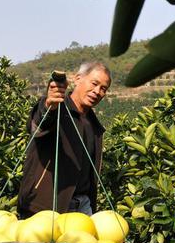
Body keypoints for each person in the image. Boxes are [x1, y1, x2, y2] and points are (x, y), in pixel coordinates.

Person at [18, 61, 112, 217]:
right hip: (43, 206)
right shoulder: (57, 108)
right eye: (94, 83)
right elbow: (37, 125)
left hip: (83, 205)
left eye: (103, 89)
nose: (97, 91)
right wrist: (49, 105)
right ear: (77, 79)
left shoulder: (94, 125)